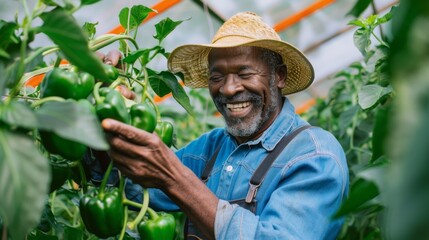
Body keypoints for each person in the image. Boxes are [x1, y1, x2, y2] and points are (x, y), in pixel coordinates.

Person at [101, 12, 349, 239]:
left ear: (279, 76)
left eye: (245, 73)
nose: (229, 89)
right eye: (216, 77)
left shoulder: (314, 155)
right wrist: (112, 104)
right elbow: (136, 184)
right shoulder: (212, 147)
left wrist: (175, 177)